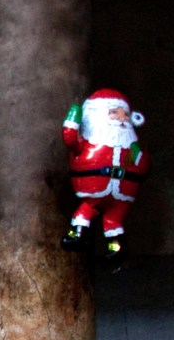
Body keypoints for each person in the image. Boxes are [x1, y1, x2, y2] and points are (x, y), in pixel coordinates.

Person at [60, 89, 148, 262]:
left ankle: (117, 250)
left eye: (124, 114)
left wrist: (138, 158)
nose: (120, 118)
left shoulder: (130, 145)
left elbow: (142, 165)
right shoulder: (89, 140)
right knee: (85, 211)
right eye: (114, 113)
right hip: (95, 190)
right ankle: (77, 236)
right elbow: (70, 138)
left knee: (113, 221)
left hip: (122, 193)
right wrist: (74, 116)